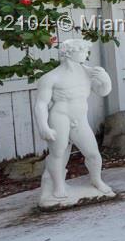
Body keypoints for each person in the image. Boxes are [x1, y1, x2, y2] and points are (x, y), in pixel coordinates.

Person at [34, 37, 115, 206]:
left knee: (93, 153)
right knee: (58, 153)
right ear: (69, 53)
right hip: (60, 117)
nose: (87, 54)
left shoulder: (89, 72)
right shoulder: (52, 77)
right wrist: (44, 126)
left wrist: (106, 79)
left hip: (80, 119)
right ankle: (57, 185)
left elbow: (102, 91)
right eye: (83, 51)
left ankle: (96, 180)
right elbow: (41, 104)